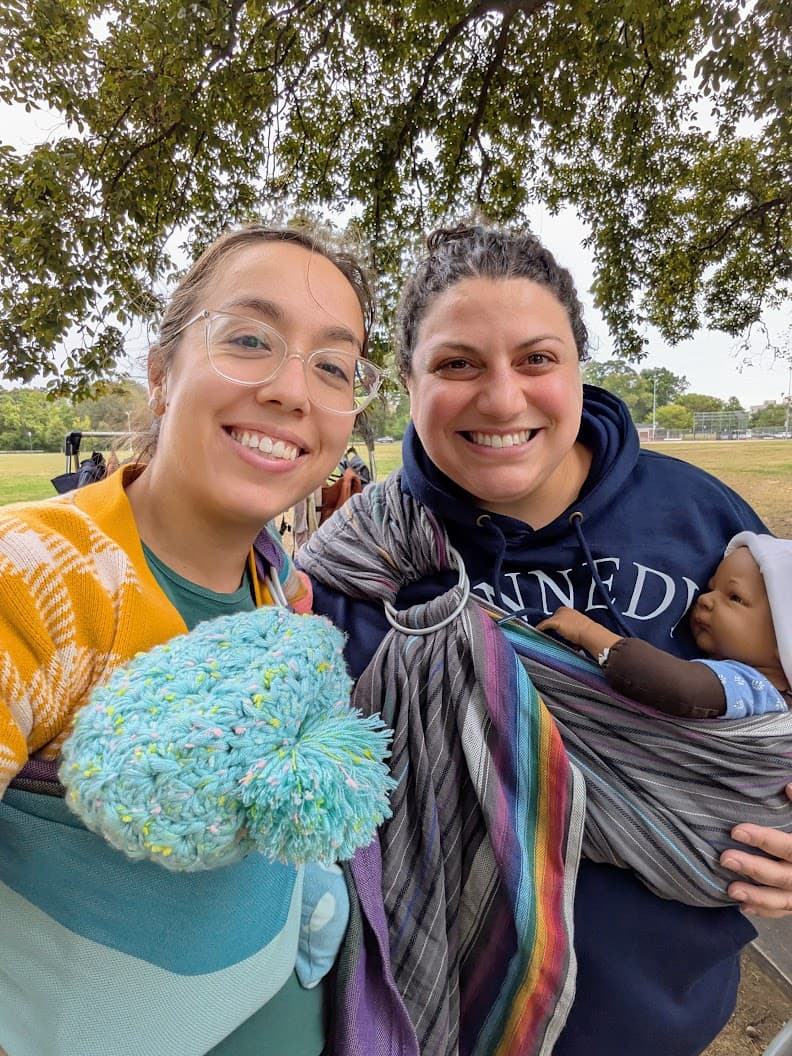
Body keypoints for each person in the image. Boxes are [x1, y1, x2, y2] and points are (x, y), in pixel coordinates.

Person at [300, 225, 792, 1056]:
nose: (501, 399)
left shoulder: (707, 523)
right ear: (410, 384)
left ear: (576, 367)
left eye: (536, 359)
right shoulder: (359, 563)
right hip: (439, 1021)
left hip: (667, 1023)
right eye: (457, 364)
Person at [0, 223, 402, 1056]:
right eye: (250, 339)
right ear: (160, 374)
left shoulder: (281, 584)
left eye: (332, 365)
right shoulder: (36, 578)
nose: (294, 391)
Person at [538, 531, 792, 719]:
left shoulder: (753, 688)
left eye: (734, 597)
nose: (705, 599)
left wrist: (588, 632)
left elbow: (680, 687)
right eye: (712, 587)